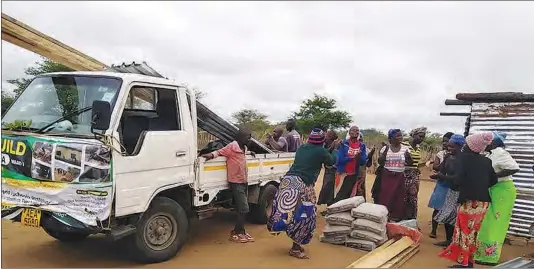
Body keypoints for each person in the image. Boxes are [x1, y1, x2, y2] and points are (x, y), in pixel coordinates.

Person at [267, 128, 335, 259]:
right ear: (322, 141)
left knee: (285, 212)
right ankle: (295, 249)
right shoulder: (322, 151)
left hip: (287, 182)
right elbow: (331, 162)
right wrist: (332, 148)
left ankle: (281, 230)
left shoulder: (302, 147)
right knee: (305, 216)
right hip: (302, 185)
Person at [438, 132, 498, 268]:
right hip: (483, 202)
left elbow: (458, 179)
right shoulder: (487, 161)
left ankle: (464, 264)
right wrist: (480, 186)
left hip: (469, 201)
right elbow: (493, 180)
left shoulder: (463, 159)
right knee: (474, 232)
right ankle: (469, 262)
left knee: (464, 232)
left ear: (470, 145)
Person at [202, 129, 256, 243]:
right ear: (240, 138)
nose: (249, 139)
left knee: (241, 208)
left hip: (244, 181)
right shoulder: (232, 146)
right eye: (247, 137)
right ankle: (237, 232)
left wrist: (250, 153)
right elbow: (219, 152)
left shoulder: (244, 148)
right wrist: (210, 155)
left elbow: (244, 153)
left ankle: (240, 231)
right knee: (244, 209)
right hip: (236, 182)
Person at [475, 131, 520, 266]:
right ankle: (481, 253)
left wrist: (494, 177)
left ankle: (490, 257)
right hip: (494, 189)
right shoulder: (489, 154)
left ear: (493, 142)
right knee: (487, 221)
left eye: (487, 141)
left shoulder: (500, 152)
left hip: (503, 191)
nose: (484, 143)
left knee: (495, 223)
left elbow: (514, 168)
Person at [431, 134, 465, 247]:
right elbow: (442, 169)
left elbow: (458, 178)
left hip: (460, 191)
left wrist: (442, 177)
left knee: (456, 217)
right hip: (451, 189)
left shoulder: (463, 159)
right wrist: (438, 175)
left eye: (452, 146)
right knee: (447, 215)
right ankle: (448, 239)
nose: (449, 148)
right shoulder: (448, 157)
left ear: (460, 146)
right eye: (449, 146)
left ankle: (455, 241)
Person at [374, 129, 412, 221]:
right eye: (398, 136)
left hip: (399, 177)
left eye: (401, 135)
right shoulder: (385, 148)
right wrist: (386, 150)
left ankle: (395, 218)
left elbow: (409, 162)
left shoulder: (405, 148)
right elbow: (381, 162)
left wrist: (408, 158)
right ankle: (383, 217)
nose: (400, 138)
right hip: (387, 176)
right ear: (391, 138)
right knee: (385, 197)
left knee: (398, 198)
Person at [429, 132, 455, 238]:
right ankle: (433, 231)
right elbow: (435, 167)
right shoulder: (441, 154)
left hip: (452, 183)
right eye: (443, 141)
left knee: (450, 209)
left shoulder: (457, 155)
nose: (444, 143)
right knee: (437, 207)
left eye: (446, 141)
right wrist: (446, 162)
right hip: (442, 183)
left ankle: (449, 235)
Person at [333, 126, 368, 202]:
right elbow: (340, 159)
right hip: (342, 174)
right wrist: (352, 157)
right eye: (353, 130)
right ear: (349, 132)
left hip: (354, 174)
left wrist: (358, 158)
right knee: (339, 195)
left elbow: (363, 162)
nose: (355, 132)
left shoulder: (362, 146)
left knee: (350, 196)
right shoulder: (343, 144)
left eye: (357, 130)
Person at [403, 127, 426, 220]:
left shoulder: (418, 148)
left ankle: (412, 220)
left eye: (423, 137)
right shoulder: (404, 145)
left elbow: (415, 163)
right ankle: (402, 219)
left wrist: (422, 166)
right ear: (413, 135)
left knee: (413, 198)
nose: (421, 139)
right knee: (403, 197)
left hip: (415, 176)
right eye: (420, 136)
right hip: (404, 174)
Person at [317, 129, 339, 215]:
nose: (325, 137)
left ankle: (330, 209)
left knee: (329, 189)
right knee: (328, 188)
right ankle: (329, 208)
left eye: (327, 135)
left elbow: (335, 159)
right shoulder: (327, 145)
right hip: (328, 170)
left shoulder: (336, 146)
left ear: (330, 137)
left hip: (333, 170)